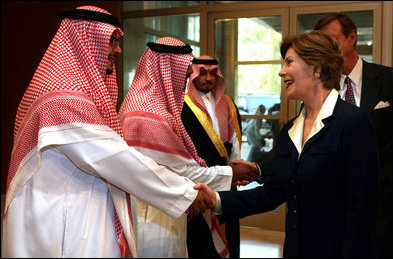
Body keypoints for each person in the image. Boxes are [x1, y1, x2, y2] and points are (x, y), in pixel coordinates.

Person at [1, 6, 211, 258]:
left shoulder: (74, 94)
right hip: (62, 223)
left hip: (78, 212)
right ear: (85, 41)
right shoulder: (63, 100)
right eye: (111, 41)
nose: (118, 50)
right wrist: (184, 193)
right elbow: (114, 157)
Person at [195, 30, 380, 257]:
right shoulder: (290, 130)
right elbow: (272, 193)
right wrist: (215, 199)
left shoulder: (353, 122)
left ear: (317, 67)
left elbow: (362, 209)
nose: (281, 71)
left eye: (289, 62)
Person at [118, 38, 258, 258]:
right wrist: (232, 173)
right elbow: (183, 170)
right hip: (152, 219)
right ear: (167, 71)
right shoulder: (151, 115)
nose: (186, 79)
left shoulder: (141, 104)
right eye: (183, 73)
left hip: (164, 208)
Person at [314, 12, 393, 258]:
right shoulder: (320, 89)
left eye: (332, 40)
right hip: (336, 211)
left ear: (352, 37)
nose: (327, 49)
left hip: (386, 211)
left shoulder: (391, 81)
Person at [182, 55, 242, 258]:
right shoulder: (183, 103)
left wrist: (236, 171)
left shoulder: (227, 102)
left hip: (225, 175)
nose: (208, 78)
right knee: (201, 238)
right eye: (203, 73)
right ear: (194, 74)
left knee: (228, 230)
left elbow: (234, 140)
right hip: (197, 177)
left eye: (212, 74)